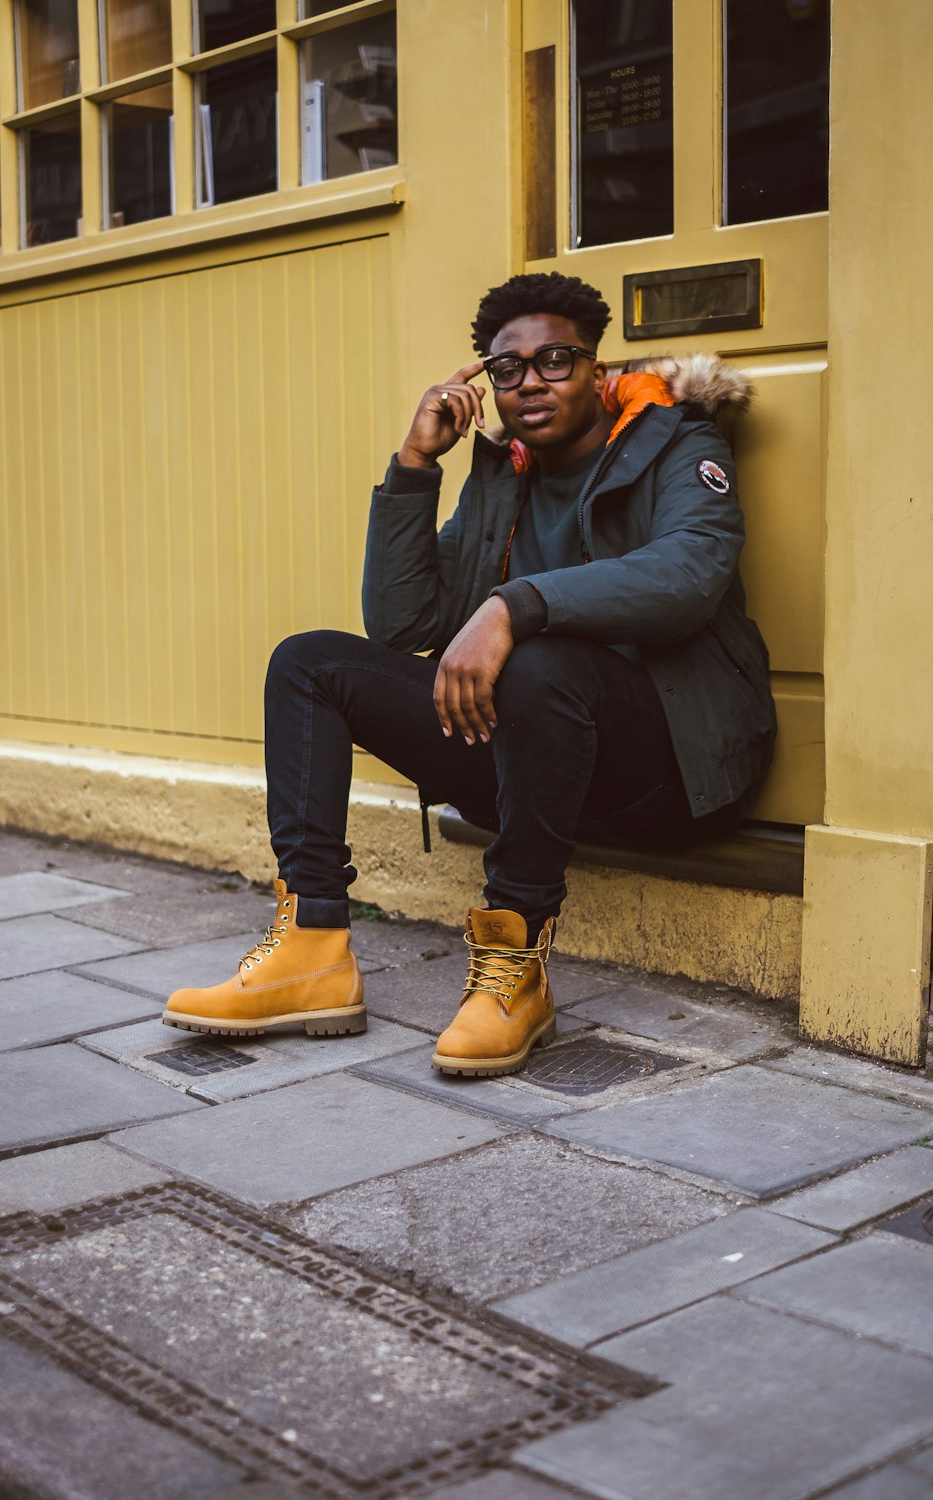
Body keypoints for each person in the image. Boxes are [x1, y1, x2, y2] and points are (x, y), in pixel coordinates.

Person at [163, 272, 776, 1077]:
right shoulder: (503, 475)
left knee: (544, 660)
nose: (531, 380)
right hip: (530, 763)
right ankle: (311, 948)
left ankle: (514, 971)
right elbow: (404, 621)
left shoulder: (678, 443)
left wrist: (513, 607)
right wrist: (417, 463)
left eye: (556, 359)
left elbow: (689, 574)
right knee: (310, 663)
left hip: (663, 773)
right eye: (507, 367)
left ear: (597, 369)